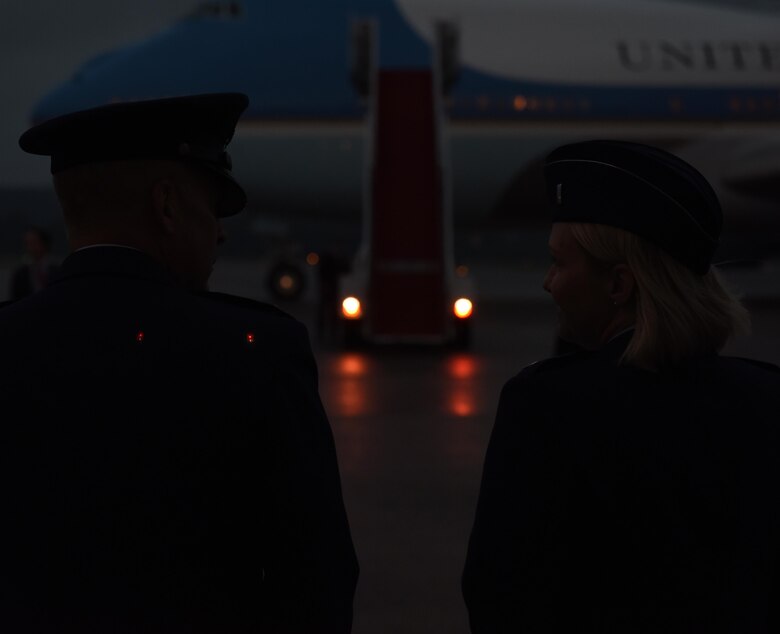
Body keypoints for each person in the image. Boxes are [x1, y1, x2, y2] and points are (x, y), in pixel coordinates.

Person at [0, 93, 358, 633]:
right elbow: (314, 583)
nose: (220, 232)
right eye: (212, 208)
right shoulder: (257, 352)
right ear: (167, 205)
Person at [462, 140, 779, 633]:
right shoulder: (764, 399)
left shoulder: (547, 410)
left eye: (559, 264)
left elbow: (502, 597)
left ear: (618, 285)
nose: (548, 283)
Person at [9, 226, 61, 299]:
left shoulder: (57, 270)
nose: (30, 248)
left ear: (44, 244)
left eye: (33, 242)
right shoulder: (20, 274)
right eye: (27, 243)